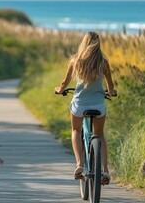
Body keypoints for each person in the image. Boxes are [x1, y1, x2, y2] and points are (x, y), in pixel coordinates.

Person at [54, 31, 116, 184]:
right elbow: (111, 87)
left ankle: (80, 165)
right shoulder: (104, 63)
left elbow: (64, 84)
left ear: (84, 44)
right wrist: (112, 92)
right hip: (98, 105)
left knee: (76, 130)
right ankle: (105, 171)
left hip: (79, 105)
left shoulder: (75, 61)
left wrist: (59, 90)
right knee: (100, 135)